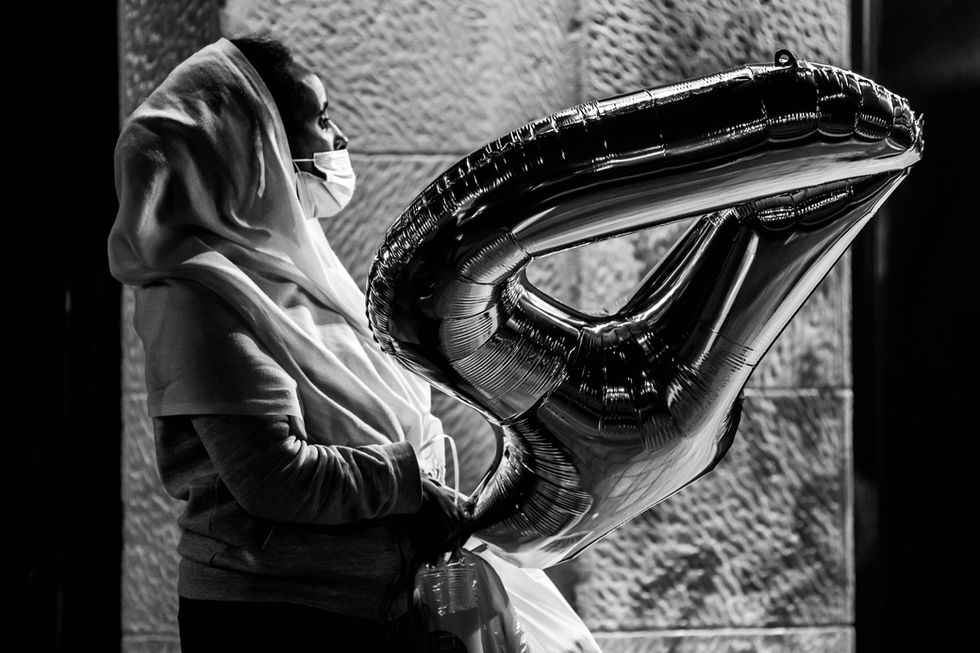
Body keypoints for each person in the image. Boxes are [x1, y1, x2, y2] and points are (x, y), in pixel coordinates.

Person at [108, 34, 471, 651]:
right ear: (258, 147)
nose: (340, 142)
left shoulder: (296, 270)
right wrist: (410, 482)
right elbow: (277, 478)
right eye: (321, 120)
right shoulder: (201, 297)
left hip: (370, 606)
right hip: (280, 618)